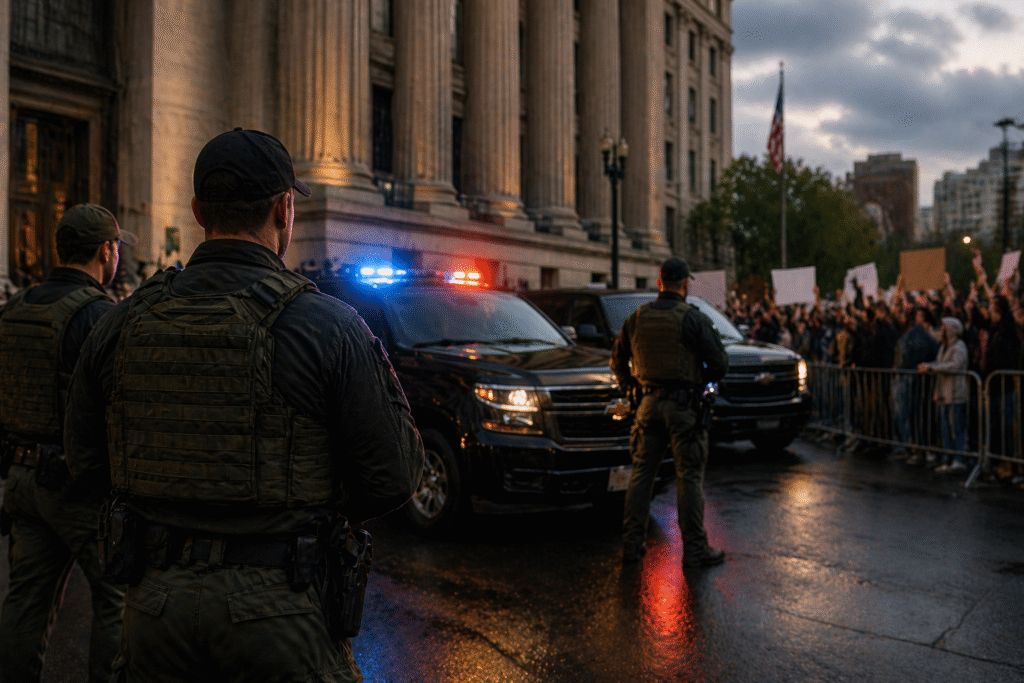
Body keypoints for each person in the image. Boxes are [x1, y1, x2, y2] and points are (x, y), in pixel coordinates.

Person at [64, 129, 424, 682]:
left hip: (155, 604)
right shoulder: (328, 326)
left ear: (197, 211)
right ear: (285, 209)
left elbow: (85, 463)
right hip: (282, 605)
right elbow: (394, 475)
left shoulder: (121, 322)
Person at [0, 204, 132, 683]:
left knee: (25, 605)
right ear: (106, 251)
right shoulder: (101, 315)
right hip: (78, 486)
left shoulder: (15, 307)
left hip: (20, 476)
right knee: (117, 599)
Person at [611, 257, 729, 568]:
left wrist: (632, 390)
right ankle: (694, 549)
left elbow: (617, 359)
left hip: (647, 406)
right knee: (688, 477)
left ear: (659, 281)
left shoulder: (638, 317)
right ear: (685, 284)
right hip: (683, 408)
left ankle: (632, 546)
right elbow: (719, 363)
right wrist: (697, 383)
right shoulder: (691, 318)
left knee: (641, 476)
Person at [917, 317, 970, 474]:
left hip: (955, 393)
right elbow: (940, 363)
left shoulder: (959, 347)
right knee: (946, 429)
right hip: (944, 393)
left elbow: (954, 366)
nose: (941, 330)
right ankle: (949, 457)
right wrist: (930, 367)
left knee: (956, 428)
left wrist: (932, 368)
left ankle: (959, 459)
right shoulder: (944, 347)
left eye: (943, 328)